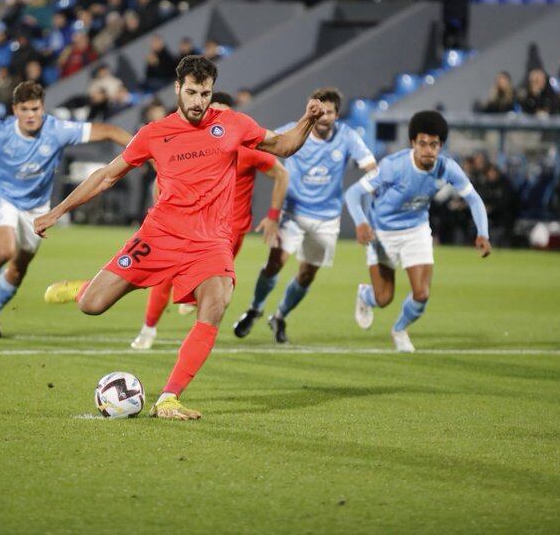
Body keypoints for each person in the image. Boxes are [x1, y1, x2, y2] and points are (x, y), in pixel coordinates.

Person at [33, 56, 324, 420]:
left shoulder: (233, 124)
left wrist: (308, 120)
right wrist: (57, 212)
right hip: (160, 235)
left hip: (210, 242)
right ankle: (84, 287)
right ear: (177, 89)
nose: (198, 101)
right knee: (92, 305)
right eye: (191, 92)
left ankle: (169, 398)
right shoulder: (154, 133)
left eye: (205, 93)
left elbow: (282, 146)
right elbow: (107, 176)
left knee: (216, 303)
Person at [0, 81, 132, 338]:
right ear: (14, 110)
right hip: (2, 196)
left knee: (19, 267)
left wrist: (145, 151)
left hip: (36, 207)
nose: (31, 115)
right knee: (5, 250)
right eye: (25, 109)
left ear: (43, 108)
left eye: (35, 109)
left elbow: (108, 130)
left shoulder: (57, 130)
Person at [127, 91, 290, 349]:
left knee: (213, 294)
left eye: (225, 112)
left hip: (226, 233)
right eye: (215, 111)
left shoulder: (246, 148)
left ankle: (192, 334)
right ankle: (148, 329)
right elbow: (164, 182)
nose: (219, 118)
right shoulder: (194, 146)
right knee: (164, 277)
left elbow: (281, 173)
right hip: (187, 224)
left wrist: (272, 217)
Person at [233, 87, 376, 344]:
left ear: (336, 114)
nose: (324, 117)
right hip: (293, 213)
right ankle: (255, 309)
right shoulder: (294, 129)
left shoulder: (347, 136)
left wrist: (375, 182)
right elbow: (263, 150)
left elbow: (370, 166)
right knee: (275, 262)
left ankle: (279, 316)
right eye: (320, 111)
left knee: (307, 274)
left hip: (327, 218)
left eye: (329, 112)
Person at [344, 111, 491, 353]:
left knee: (421, 294)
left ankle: (400, 329)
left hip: (416, 230)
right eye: (422, 143)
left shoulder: (447, 168)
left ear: (441, 145)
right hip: (382, 234)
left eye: (434, 144)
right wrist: (361, 222)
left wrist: (482, 233)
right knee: (384, 298)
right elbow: (353, 193)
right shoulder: (393, 166)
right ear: (413, 143)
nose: (428, 150)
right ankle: (365, 294)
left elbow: (474, 199)